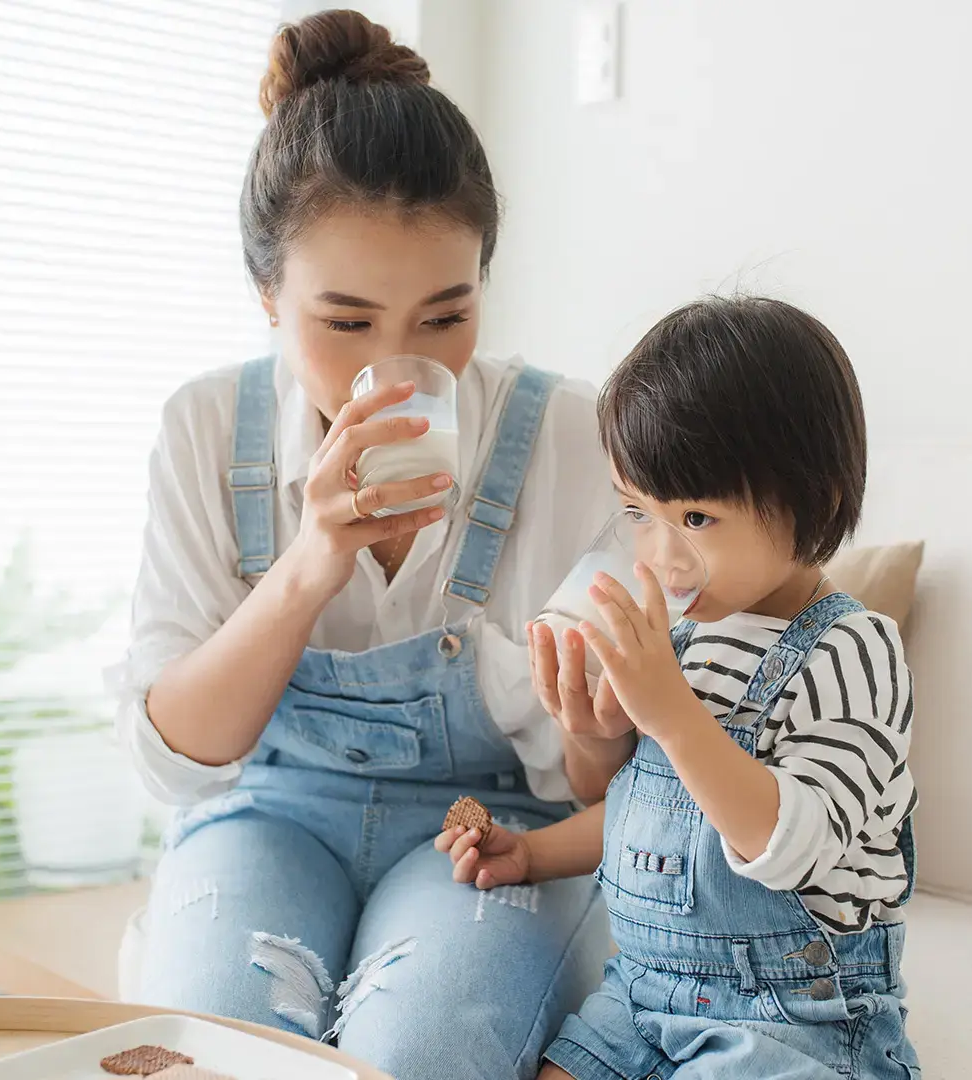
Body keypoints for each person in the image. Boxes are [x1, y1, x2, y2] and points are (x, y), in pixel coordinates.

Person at [112, 11, 629, 1077]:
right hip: (269, 816)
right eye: (345, 323)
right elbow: (174, 758)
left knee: (427, 1049)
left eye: (446, 318)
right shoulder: (208, 430)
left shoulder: (573, 437)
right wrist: (311, 562)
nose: (393, 371)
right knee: (214, 1048)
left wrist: (600, 716)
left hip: (489, 830)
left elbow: (588, 785)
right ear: (267, 295)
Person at [436, 297, 925, 1079]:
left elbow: (787, 844)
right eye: (637, 512)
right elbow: (649, 819)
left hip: (794, 1018)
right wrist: (539, 834)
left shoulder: (851, 649)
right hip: (643, 996)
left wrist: (671, 714)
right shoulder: (688, 639)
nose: (661, 556)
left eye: (695, 517)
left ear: (815, 501)